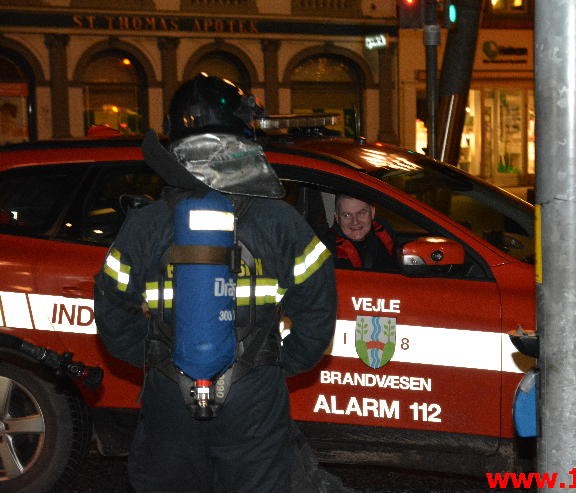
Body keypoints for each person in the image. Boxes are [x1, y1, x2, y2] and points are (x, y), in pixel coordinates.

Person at [93, 74, 338, 492]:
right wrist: (277, 364)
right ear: (242, 136)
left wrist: (156, 358)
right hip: (254, 396)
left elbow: (111, 312)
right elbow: (318, 312)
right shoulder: (281, 222)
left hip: (169, 394)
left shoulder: (146, 224)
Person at [325, 194, 396, 270]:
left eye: (361, 213)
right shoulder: (326, 248)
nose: (355, 222)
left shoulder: (383, 232)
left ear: (372, 212)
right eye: (347, 215)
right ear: (337, 218)